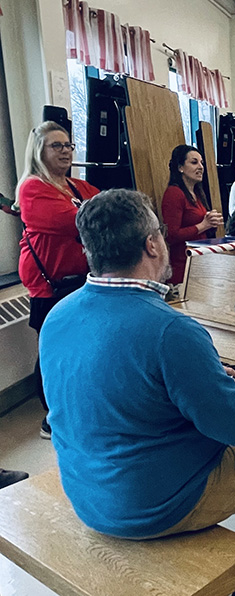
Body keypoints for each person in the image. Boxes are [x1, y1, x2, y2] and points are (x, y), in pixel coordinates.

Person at [40, 189, 235, 595]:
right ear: (152, 244)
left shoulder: (59, 314)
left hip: (87, 488)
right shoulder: (170, 331)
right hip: (147, 504)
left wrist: (203, 375)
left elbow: (126, 383)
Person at [15, 121, 100, 439]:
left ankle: (78, 407)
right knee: (53, 350)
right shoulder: (32, 187)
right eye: (57, 145)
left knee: (80, 349)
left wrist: (94, 211)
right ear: (39, 150)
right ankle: (52, 417)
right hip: (49, 284)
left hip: (80, 280)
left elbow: (110, 210)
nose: (65, 151)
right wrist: (93, 213)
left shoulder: (76, 186)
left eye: (68, 145)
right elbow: (75, 222)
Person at [162, 145, 223, 285]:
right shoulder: (174, 193)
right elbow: (171, 235)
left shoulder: (197, 194)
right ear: (180, 168)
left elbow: (201, 229)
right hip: (183, 267)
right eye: (194, 162)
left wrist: (211, 223)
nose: (201, 167)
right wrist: (203, 225)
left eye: (202, 163)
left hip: (199, 263)